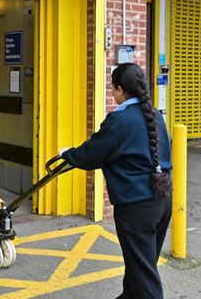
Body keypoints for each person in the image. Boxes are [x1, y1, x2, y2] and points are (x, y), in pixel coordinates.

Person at [59, 63, 172, 299]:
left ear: (120, 89)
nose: (112, 93)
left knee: (143, 275)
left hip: (136, 206)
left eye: (113, 88)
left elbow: (92, 154)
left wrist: (67, 154)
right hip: (162, 200)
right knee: (141, 266)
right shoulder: (155, 115)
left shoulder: (119, 120)